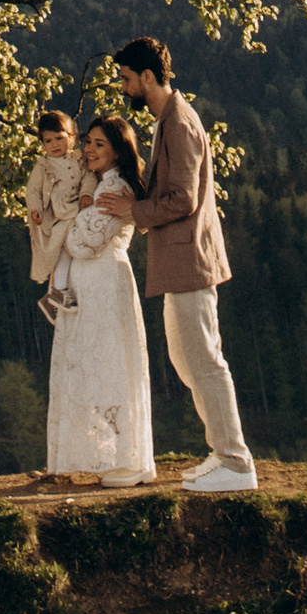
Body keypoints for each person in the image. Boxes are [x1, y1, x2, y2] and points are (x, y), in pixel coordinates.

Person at [114, 34, 258, 491]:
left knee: (205, 359)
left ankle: (236, 462)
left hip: (190, 259)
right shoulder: (166, 121)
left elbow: (183, 198)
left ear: (149, 77)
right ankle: (222, 453)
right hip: (179, 262)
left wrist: (133, 213)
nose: (124, 88)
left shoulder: (179, 123)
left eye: (126, 79)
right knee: (186, 358)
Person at [43, 115, 156, 482]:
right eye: (88, 142)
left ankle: (123, 460)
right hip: (87, 285)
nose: (89, 149)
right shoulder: (99, 183)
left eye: (99, 144)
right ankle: (95, 457)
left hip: (105, 281)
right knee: (85, 365)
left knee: (109, 364)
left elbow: (84, 242)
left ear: (118, 150)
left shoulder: (116, 186)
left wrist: (64, 222)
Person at [23, 105, 82, 324]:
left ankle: (54, 295)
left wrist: (86, 194)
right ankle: (57, 290)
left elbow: (88, 180)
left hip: (75, 209)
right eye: (48, 141)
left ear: (71, 137)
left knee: (69, 249)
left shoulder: (79, 160)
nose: (54, 145)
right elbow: (33, 190)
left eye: (59, 138)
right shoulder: (43, 165)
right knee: (61, 250)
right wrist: (35, 209)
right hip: (57, 215)